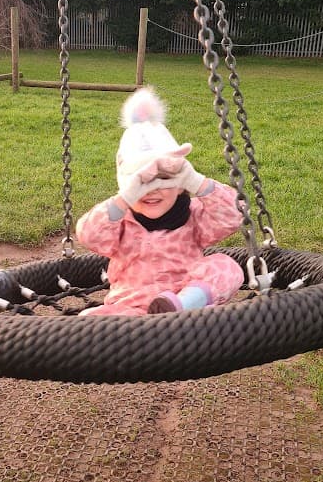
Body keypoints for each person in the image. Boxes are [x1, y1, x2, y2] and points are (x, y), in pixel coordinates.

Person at [75, 86, 245, 315]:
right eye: (141, 183)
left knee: (226, 266)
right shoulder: (119, 222)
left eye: (163, 180)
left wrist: (196, 181)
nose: (151, 191)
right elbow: (89, 235)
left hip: (186, 305)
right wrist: (124, 198)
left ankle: (180, 304)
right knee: (90, 319)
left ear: (180, 184)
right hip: (130, 308)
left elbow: (233, 215)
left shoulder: (193, 216)